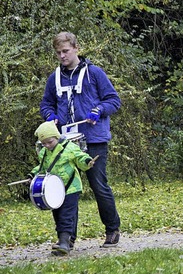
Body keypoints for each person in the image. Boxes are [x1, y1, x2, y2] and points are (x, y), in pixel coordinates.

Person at [40, 32, 122, 247]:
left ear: (76, 48)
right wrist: (51, 117)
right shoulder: (54, 78)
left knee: (98, 185)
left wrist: (99, 110)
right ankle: (67, 238)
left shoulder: (94, 73)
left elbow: (113, 100)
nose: (62, 56)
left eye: (65, 51)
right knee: (64, 189)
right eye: (58, 52)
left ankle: (112, 229)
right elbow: (46, 104)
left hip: (93, 140)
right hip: (64, 144)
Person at [30, 121, 98, 256]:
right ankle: (67, 239)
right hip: (54, 190)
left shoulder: (70, 148)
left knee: (67, 215)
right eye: (44, 143)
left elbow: (80, 157)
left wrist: (87, 162)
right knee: (58, 214)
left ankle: (64, 243)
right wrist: (32, 174)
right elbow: (43, 168)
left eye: (49, 142)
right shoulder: (44, 152)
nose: (47, 145)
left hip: (71, 187)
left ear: (56, 137)